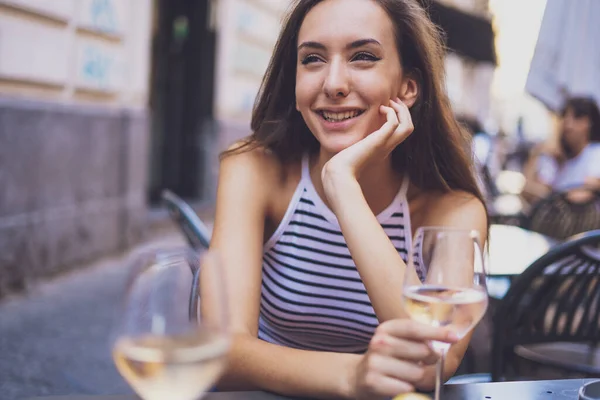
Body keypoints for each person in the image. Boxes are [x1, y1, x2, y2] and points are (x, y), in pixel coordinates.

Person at [209, 0, 488, 398]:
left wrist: (343, 186)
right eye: (312, 60)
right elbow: (221, 350)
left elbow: (433, 363)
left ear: (408, 87)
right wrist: (351, 375)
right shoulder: (254, 169)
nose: (333, 83)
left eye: (363, 57)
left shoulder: (452, 210)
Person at [522, 97, 600, 204]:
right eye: (564, 116)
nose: (568, 125)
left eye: (576, 117)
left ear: (589, 124)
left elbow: (586, 193)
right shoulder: (562, 161)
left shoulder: (595, 153)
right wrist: (537, 153)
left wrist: (554, 196)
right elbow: (528, 193)